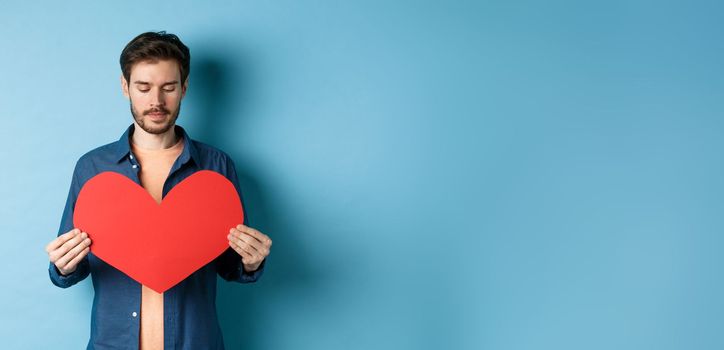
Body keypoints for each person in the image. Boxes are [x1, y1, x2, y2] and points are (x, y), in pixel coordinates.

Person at [44, 31, 272, 350]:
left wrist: (250, 261)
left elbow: (229, 265)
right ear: (125, 88)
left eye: (168, 88)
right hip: (112, 343)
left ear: (184, 88)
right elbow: (69, 268)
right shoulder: (92, 169)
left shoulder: (217, 167)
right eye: (144, 87)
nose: (156, 101)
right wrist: (63, 265)